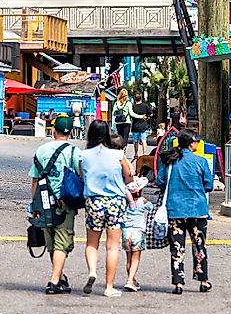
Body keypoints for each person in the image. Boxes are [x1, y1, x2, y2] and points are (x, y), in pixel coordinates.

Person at [28, 116, 81, 295]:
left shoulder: (41, 150)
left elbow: (35, 179)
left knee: (51, 242)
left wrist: (34, 204)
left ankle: (59, 277)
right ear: (70, 132)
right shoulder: (74, 152)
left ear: (53, 130)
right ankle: (53, 281)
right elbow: (80, 176)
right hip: (64, 201)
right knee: (62, 243)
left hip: (43, 201)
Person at [156, 130, 214, 295]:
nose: (198, 144)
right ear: (191, 143)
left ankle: (178, 283)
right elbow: (208, 185)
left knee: (177, 246)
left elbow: (160, 181)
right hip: (197, 210)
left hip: (175, 210)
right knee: (199, 245)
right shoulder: (201, 162)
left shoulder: (170, 161)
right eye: (196, 141)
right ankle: (203, 280)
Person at [80, 120, 133, 297]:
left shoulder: (84, 155)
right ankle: (109, 287)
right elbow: (129, 176)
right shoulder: (118, 155)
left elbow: (82, 176)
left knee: (92, 243)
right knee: (112, 247)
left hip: (94, 202)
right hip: (115, 202)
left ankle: (92, 271)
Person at [121, 176, 153, 292]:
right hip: (138, 232)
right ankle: (130, 281)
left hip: (126, 231)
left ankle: (132, 279)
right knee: (136, 258)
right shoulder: (142, 201)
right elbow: (151, 207)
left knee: (128, 258)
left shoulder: (124, 202)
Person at [130, 92, 152, 159]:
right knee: (143, 140)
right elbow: (150, 114)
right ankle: (144, 153)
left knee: (135, 141)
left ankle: (136, 154)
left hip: (135, 126)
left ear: (134, 99)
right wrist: (147, 118)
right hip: (143, 126)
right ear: (141, 98)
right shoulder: (145, 106)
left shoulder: (133, 107)